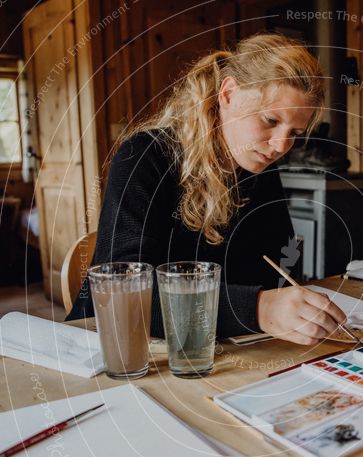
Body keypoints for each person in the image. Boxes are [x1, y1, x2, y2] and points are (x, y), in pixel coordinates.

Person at [66, 33, 346, 345]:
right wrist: (258, 308)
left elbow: (279, 266)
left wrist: (288, 304)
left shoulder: (260, 167)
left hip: (212, 346)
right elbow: (124, 295)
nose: (281, 145)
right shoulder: (145, 157)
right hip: (110, 348)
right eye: (269, 120)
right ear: (228, 94)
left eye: (294, 132)